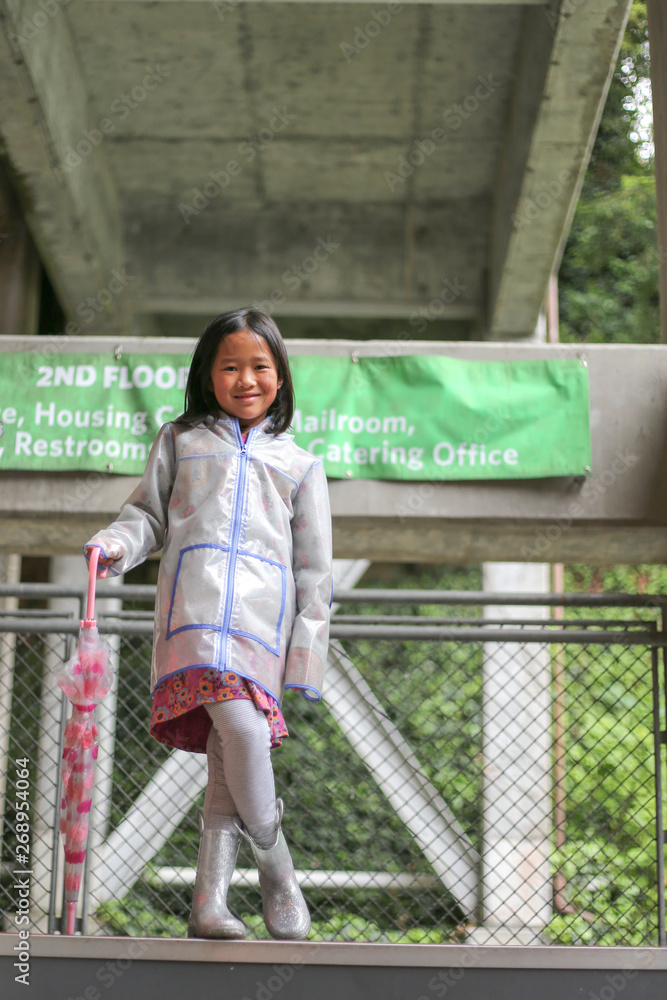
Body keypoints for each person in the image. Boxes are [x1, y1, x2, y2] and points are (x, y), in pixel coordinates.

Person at [84, 308, 333, 940]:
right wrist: (116, 543)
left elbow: (315, 575)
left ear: (280, 377)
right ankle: (279, 871)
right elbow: (145, 516)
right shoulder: (180, 440)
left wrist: (303, 660)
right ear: (207, 373)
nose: (245, 378)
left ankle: (209, 905)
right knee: (243, 734)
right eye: (230, 366)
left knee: (230, 753)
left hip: (261, 637)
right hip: (191, 625)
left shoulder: (301, 466)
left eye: (259, 366)